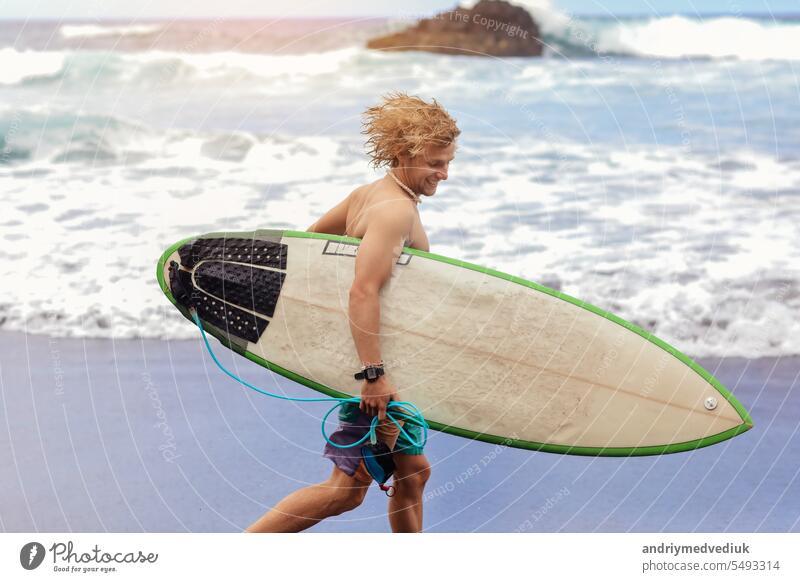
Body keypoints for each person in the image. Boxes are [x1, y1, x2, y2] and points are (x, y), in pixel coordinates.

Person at [245, 92, 459, 533]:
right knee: (351, 490)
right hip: (375, 370)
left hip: (369, 361)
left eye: (449, 162)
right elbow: (363, 290)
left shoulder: (369, 196)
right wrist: (373, 374)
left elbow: (306, 255)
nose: (445, 174)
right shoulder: (394, 211)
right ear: (403, 154)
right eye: (436, 163)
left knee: (403, 477)